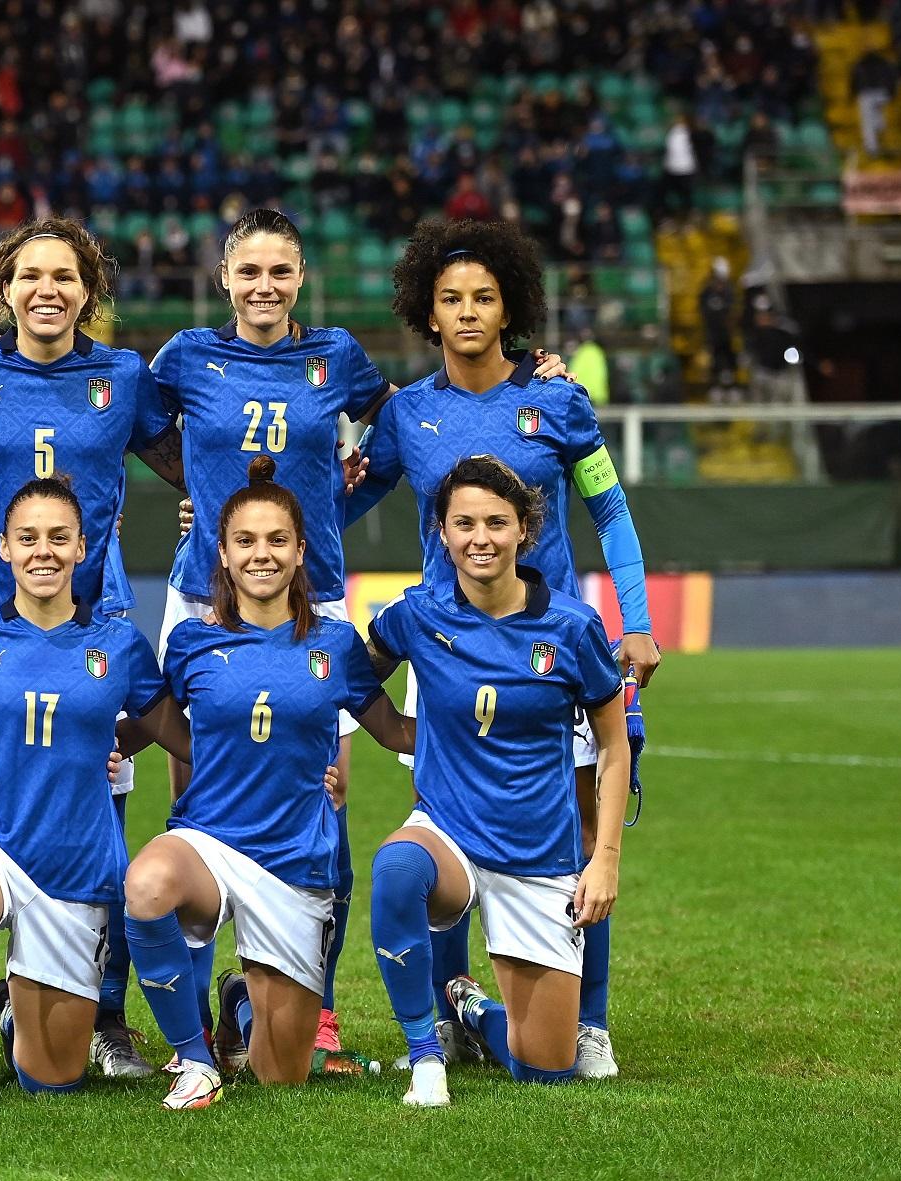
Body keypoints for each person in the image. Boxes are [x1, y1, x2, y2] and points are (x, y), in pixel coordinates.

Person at [152, 208, 571, 1069]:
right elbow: (127, 423)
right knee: (193, 793)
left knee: (327, 796)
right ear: (224, 277)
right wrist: (200, 490)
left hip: (315, 602)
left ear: (299, 278)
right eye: (248, 272)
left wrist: (530, 371)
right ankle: (192, 1026)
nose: (263, 286)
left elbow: (419, 415)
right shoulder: (186, 355)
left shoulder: (337, 357)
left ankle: (319, 1008)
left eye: (280, 272)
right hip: (203, 600)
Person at [347, 216, 658, 1079]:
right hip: (442, 654)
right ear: (428, 312)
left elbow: (611, 511)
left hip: (553, 655)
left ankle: (585, 1018)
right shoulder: (406, 414)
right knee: (445, 830)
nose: (468, 311)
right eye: (451, 299)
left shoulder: (557, 399)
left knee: (579, 832)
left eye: (483, 296)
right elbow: (338, 503)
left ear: (509, 305)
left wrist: (632, 619)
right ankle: (448, 1010)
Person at [0, 217, 185, 1081]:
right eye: (30, 275)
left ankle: (107, 1013)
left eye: (65, 277)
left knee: (100, 808)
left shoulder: (122, 376)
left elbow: (190, 456)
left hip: (95, 621)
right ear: (4, 289)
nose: (48, 290)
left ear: (89, 289)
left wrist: (223, 511)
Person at [0, 477, 185, 1118]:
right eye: (28, 538)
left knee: (51, 1080)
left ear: (83, 547)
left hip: (76, 866)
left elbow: (177, 735)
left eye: (58, 537)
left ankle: (17, 1012)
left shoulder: (119, 644)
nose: (42, 551)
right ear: (3, 548)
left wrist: (294, 766)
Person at [127, 456, 415, 1111]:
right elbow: (160, 728)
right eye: (245, 541)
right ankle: (196, 1061)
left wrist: (496, 723)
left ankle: (237, 999)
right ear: (221, 554)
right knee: (146, 885)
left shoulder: (336, 644)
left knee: (281, 1073)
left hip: (294, 860)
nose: (262, 554)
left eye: (276, 540)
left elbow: (394, 731)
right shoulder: (190, 641)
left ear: (300, 549)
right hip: (211, 841)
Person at [364, 455, 629, 1106]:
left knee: (545, 1069)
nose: (478, 537)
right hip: (448, 834)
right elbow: (348, 678)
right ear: (441, 533)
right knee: (397, 867)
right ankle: (427, 1057)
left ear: (522, 530)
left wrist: (604, 861)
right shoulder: (415, 612)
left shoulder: (570, 626)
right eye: (463, 523)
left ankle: (472, 1009)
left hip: (537, 853)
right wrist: (398, 733)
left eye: (494, 522)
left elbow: (613, 744)